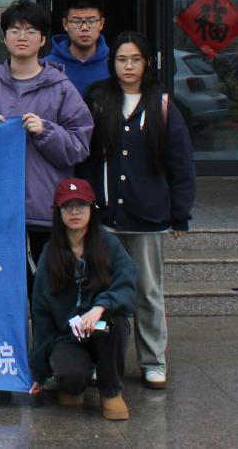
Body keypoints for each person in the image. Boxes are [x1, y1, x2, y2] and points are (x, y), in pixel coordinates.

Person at [81, 31, 196, 390]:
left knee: (147, 292)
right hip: (106, 217)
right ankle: (102, 360)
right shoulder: (98, 100)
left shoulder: (162, 105)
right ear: (112, 62)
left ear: (146, 63)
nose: (128, 66)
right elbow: (84, 157)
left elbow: (181, 163)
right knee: (100, 292)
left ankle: (153, 361)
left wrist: (180, 213)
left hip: (149, 217)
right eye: (121, 59)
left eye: (135, 59)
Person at [0, 1, 92, 297]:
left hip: (45, 212)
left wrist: (47, 131)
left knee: (48, 294)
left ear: (42, 40)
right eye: (14, 30)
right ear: (4, 38)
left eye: (30, 31)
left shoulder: (62, 88)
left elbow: (79, 146)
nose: (22, 36)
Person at [28, 178, 136, 421]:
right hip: (67, 336)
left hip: (103, 327)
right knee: (70, 379)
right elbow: (41, 313)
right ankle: (72, 383)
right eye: (67, 206)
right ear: (58, 212)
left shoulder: (108, 244)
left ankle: (111, 392)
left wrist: (100, 307)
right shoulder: (50, 253)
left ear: (92, 209)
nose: (75, 212)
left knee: (115, 326)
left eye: (81, 205)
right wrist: (39, 372)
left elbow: (127, 282)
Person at [44, 0, 110, 98]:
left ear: (101, 24)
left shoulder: (113, 64)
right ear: (65, 24)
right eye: (76, 22)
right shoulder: (47, 66)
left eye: (91, 21)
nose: (84, 28)